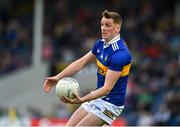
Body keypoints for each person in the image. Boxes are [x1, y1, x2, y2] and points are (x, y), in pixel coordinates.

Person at [43, 10, 132, 126]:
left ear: (117, 28)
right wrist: (58, 77)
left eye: (107, 25)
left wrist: (82, 99)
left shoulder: (120, 54)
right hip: (97, 97)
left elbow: (107, 89)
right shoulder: (100, 44)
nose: (103, 28)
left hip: (111, 105)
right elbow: (81, 62)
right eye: (102, 24)